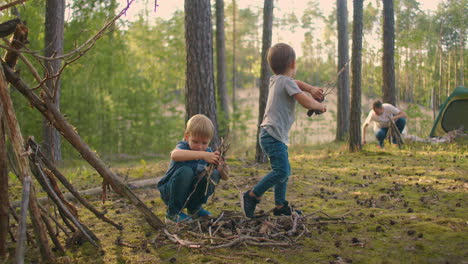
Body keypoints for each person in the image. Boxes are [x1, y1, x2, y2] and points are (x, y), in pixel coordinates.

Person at [242, 43, 327, 218]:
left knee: (284, 169)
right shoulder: (286, 82)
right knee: (282, 171)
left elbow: (297, 84)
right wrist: (320, 106)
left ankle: (280, 206)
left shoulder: (277, 80)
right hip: (273, 135)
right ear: (293, 63)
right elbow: (306, 102)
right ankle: (252, 196)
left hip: (271, 134)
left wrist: (311, 89)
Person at [157, 114, 229, 223]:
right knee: (186, 171)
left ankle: (194, 209)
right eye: (195, 141)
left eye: (204, 143)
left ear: (209, 140)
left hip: (191, 193)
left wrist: (221, 166)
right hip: (171, 192)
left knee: (213, 174)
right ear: (187, 137)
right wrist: (203, 155)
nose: (200, 147)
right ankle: (172, 213)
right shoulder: (183, 147)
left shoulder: (208, 153)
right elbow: (174, 155)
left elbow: (225, 177)